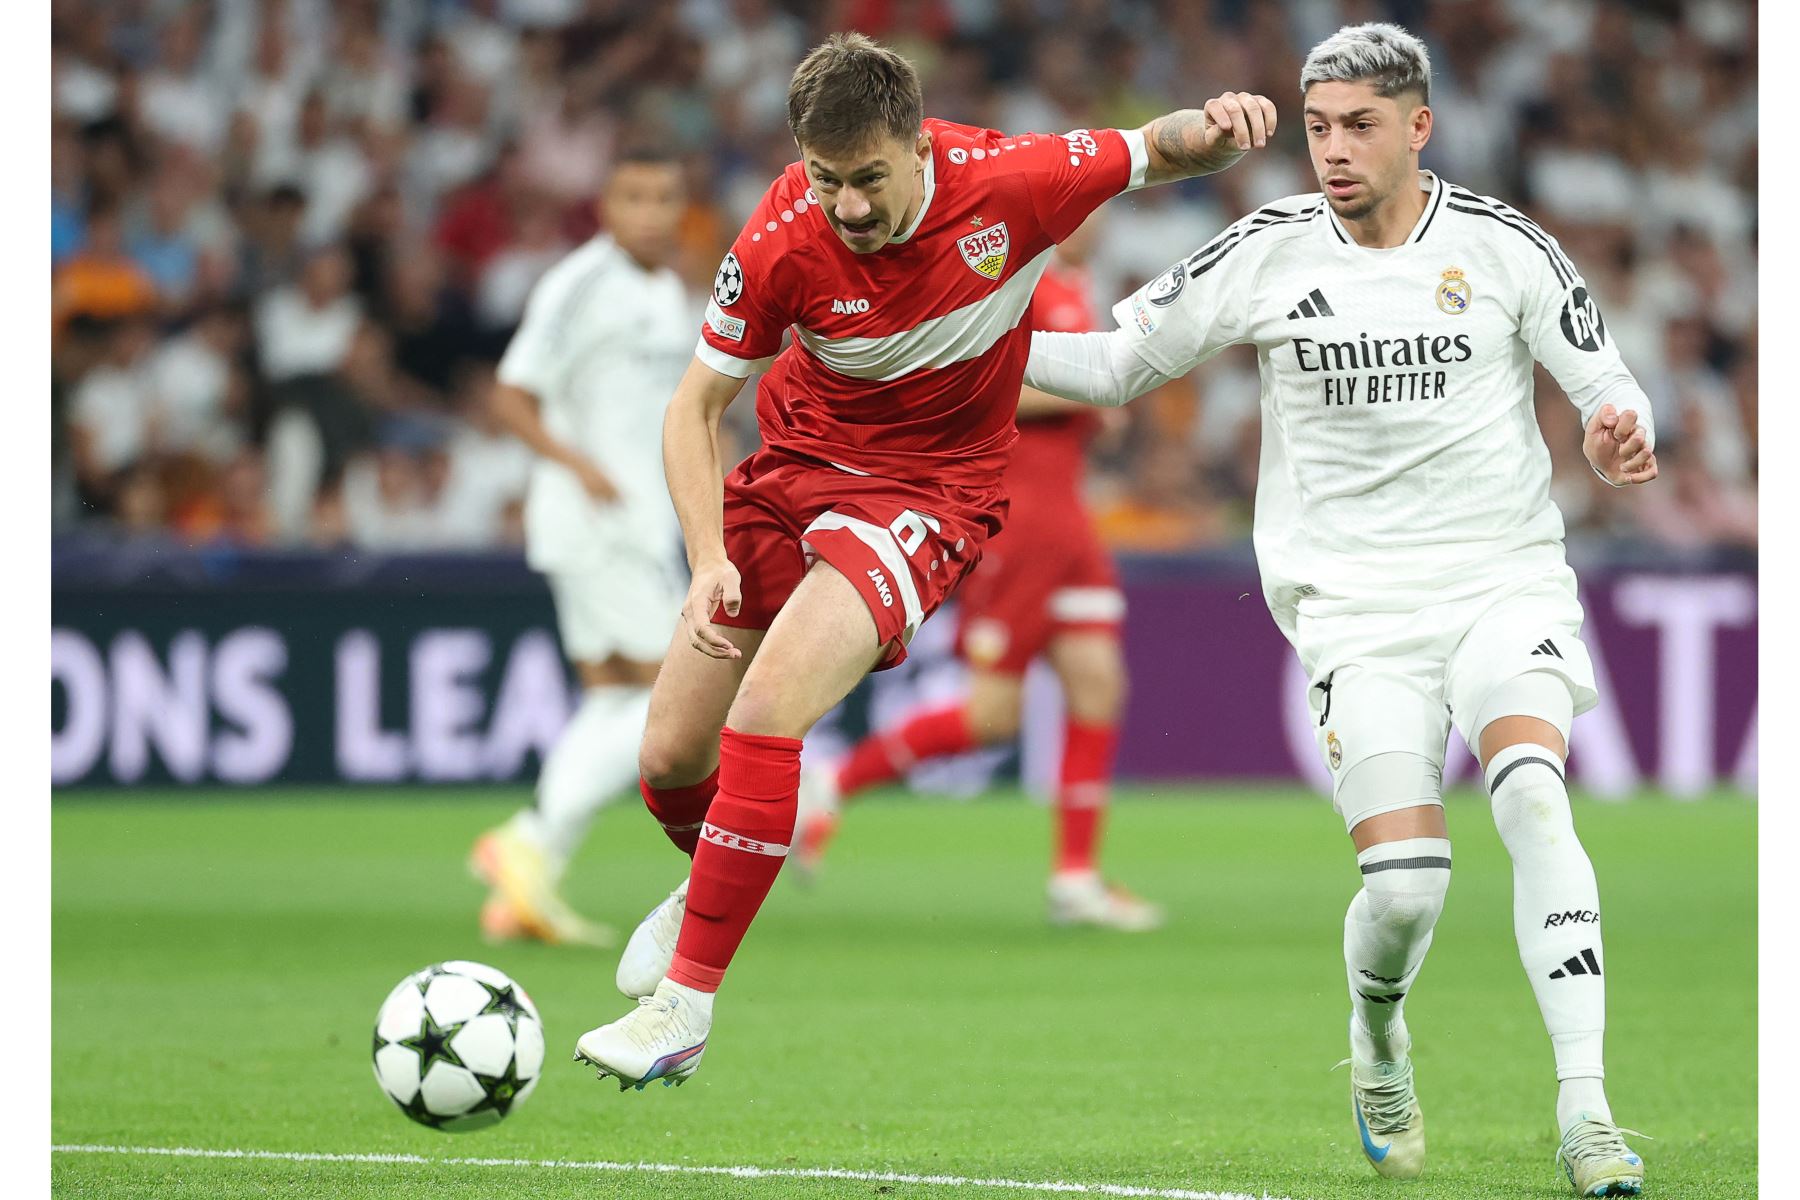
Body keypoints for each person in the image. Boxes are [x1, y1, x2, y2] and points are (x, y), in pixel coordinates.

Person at [572, 32, 1276, 1091]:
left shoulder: (1012, 180)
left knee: (767, 712)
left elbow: (1156, 148)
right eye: (825, 179)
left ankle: (682, 1008)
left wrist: (1222, 127)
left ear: (918, 147)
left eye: (867, 180)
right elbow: (695, 407)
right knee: (671, 756)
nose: (846, 205)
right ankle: (709, 883)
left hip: (927, 495)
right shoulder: (779, 232)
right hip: (793, 468)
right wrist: (708, 552)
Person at [1021, 24, 1654, 1197]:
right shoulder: (1264, 252)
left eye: (1359, 124)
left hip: (1499, 576)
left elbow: (1606, 385)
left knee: (1531, 795)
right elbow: (1112, 367)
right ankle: (1376, 1038)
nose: (1333, 150)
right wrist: (930, 354)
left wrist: (1622, 433)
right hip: (1355, 608)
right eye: (1318, 127)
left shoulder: (1505, 246)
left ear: (1420, 126)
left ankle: (1589, 1113)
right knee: (1407, 887)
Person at [793, 218, 1162, 933]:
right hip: (1019, 520)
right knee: (995, 714)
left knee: (1098, 684)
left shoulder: (1080, 291)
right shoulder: (1017, 287)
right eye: (1085, 205)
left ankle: (1075, 879)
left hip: (1069, 521)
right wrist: (1094, 395)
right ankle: (834, 782)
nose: (1095, 219)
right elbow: (981, 380)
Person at [468, 147, 695, 947]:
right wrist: (584, 470)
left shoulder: (670, 293)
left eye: (664, 196)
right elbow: (510, 393)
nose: (651, 212)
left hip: (642, 523)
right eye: (634, 195)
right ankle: (527, 840)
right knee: (679, 694)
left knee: (616, 699)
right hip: (595, 520)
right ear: (605, 205)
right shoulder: (578, 283)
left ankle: (527, 880)